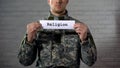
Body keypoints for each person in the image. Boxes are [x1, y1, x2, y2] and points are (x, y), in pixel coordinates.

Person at [18, 0, 97, 68]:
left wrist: (84, 40)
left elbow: (90, 62)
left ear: (67, 1)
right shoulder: (36, 27)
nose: (58, 1)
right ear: (49, 0)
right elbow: (24, 61)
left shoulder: (79, 28)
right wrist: (29, 40)